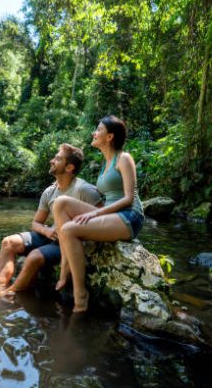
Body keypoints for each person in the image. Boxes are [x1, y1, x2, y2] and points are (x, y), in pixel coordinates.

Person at [0, 144, 103, 303]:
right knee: (8, 242)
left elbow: (103, 217)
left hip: (69, 242)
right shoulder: (50, 191)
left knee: (34, 257)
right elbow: (36, 223)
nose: (51, 161)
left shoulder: (84, 190)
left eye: (58, 158)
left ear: (69, 167)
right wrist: (47, 231)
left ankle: (9, 292)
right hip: (50, 235)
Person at [53, 115, 144, 312]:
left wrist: (94, 215)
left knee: (69, 230)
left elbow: (128, 198)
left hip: (129, 216)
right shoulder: (105, 164)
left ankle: (80, 296)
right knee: (60, 203)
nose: (94, 133)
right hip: (109, 214)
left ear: (110, 136)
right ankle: (64, 266)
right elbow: (103, 195)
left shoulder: (124, 158)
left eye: (99, 129)